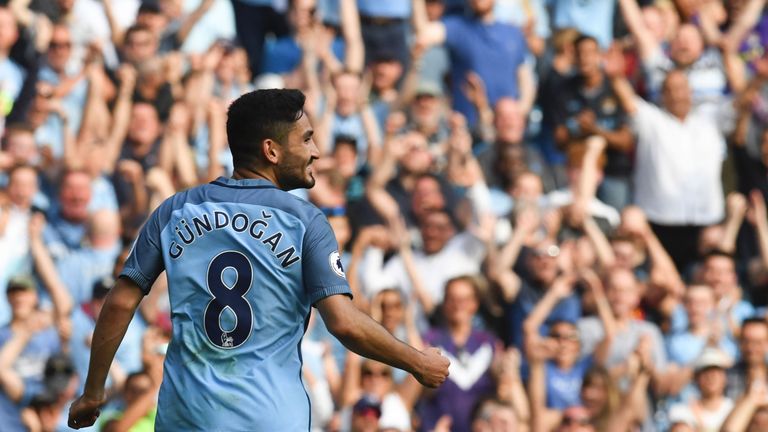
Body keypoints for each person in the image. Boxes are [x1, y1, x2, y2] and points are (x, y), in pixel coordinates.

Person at [67, 88, 450, 430]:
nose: (316, 151)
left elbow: (119, 300)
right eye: (307, 139)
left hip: (187, 416)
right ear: (272, 150)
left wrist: (94, 391)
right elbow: (344, 323)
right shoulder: (305, 221)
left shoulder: (176, 211)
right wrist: (416, 361)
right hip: (269, 417)